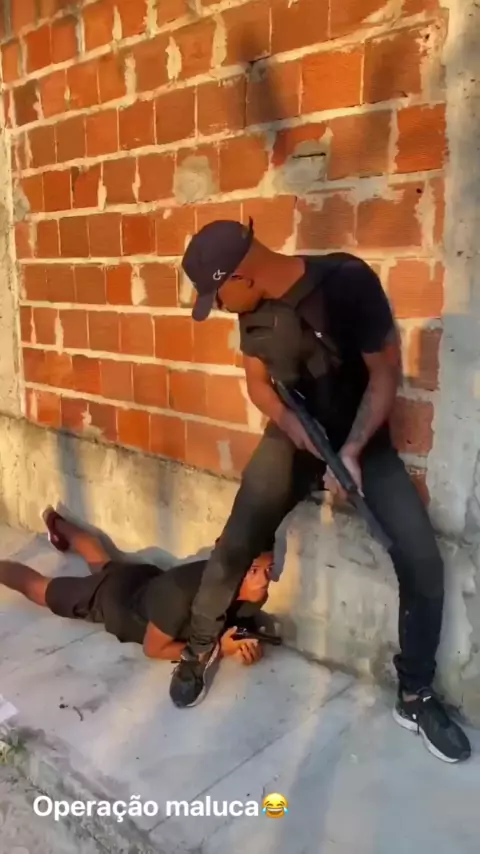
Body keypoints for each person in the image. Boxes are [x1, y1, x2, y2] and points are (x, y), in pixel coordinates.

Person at [169, 217, 472, 764]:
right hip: (294, 436)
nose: (219, 307)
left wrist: (351, 450)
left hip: (360, 440)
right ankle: (198, 647)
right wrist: (292, 426)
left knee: (422, 561)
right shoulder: (250, 311)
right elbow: (258, 384)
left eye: (218, 295)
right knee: (237, 540)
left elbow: (385, 373)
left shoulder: (346, 283)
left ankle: (415, 694)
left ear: (241, 276)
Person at [0, 507, 276, 686]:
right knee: (39, 589)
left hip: (142, 580)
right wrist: (219, 650)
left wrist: (244, 642)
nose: (264, 581)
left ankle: (55, 521)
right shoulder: (180, 596)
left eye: (269, 569)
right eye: (253, 571)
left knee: (104, 564)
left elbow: (236, 622)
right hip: (115, 601)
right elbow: (153, 649)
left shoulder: (247, 588)